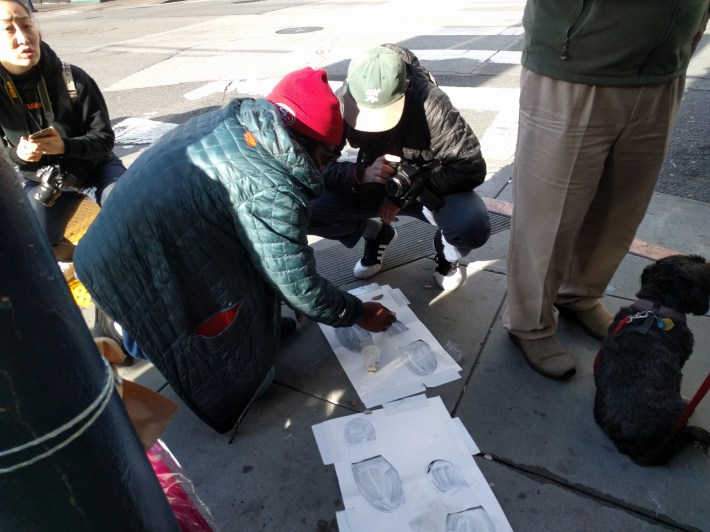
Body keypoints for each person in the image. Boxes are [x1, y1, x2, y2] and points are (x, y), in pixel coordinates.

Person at [74, 67, 397, 434]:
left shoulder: (242, 123)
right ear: (305, 143)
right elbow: (299, 285)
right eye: (327, 156)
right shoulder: (271, 185)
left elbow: (271, 258)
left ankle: (249, 331)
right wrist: (357, 311)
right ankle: (131, 337)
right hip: (133, 275)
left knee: (252, 278)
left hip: (130, 243)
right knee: (250, 380)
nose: (323, 167)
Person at [503, 1, 710, 380]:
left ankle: (580, 293)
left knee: (621, 206)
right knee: (550, 214)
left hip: (662, 69)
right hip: (575, 66)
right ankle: (530, 323)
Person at [308, 44, 491, 291]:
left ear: (405, 88)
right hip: (374, 182)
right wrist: (360, 174)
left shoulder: (431, 103)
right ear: (350, 89)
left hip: (429, 187)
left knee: (471, 225)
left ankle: (447, 255)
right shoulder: (343, 100)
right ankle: (375, 233)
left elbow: (471, 167)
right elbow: (315, 165)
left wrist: (404, 193)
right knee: (308, 209)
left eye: (382, 114)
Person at [0, 0, 125, 269]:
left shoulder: (73, 78)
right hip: (43, 180)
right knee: (34, 245)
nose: (23, 38)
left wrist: (65, 146)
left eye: (26, 24)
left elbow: (104, 139)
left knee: (131, 210)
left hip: (95, 168)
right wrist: (17, 154)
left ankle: (117, 263)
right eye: (8, 30)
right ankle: (80, 259)